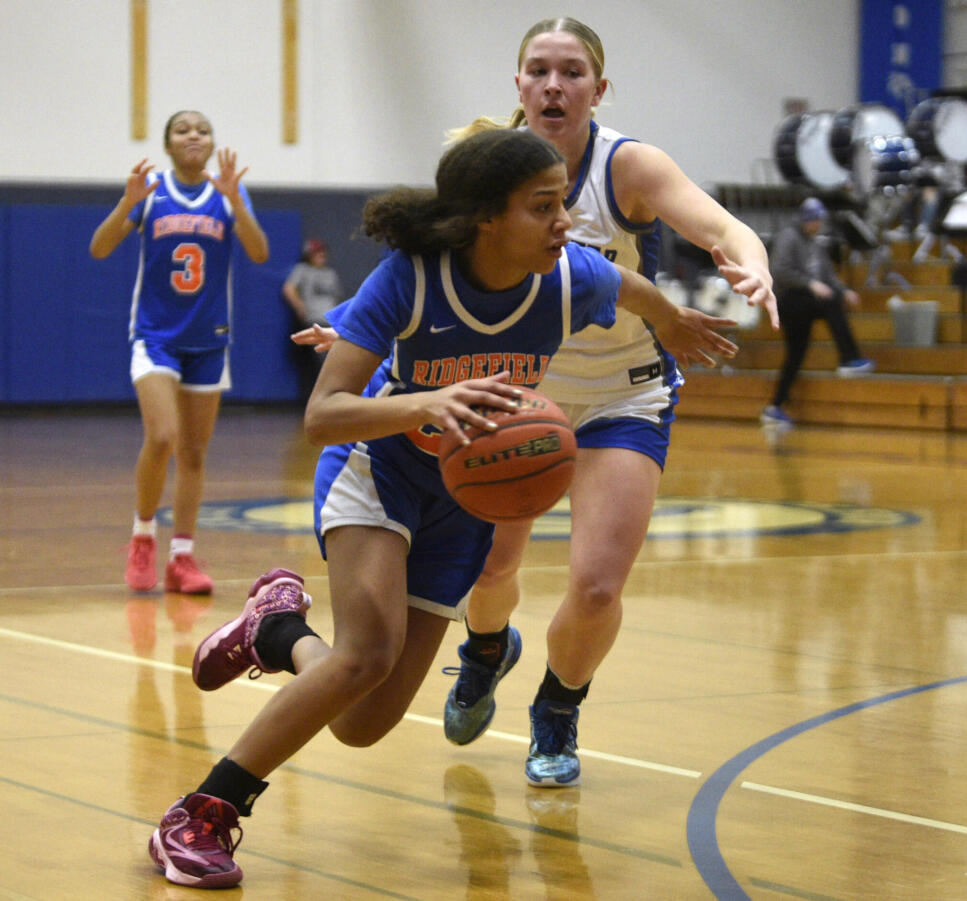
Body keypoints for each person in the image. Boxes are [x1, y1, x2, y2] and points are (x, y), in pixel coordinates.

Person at [146, 128, 739, 888]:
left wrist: (674, 321)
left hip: (465, 502)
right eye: (545, 206)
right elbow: (324, 413)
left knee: (362, 722)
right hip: (379, 469)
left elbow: (631, 288)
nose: (568, 221)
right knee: (366, 653)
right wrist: (429, 402)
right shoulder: (413, 278)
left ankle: (279, 628)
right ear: (486, 218)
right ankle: (200, 812)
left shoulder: (570, 277)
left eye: (565, 203)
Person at [436, 17, 776, 787]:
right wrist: (363, 325)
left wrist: (752, 264)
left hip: (625, 394)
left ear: (598, 87)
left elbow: (720, 226)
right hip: (516, 392)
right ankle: (486, 648)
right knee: (488, 572)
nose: (555, 85)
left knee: (595, 585)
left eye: (572, 72)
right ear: (517, 84)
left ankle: (558, 705)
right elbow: (430, 265)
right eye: (539, 70)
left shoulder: (629, 166)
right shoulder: (480, 168)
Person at [89, 110, 269, 595]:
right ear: (168, 144)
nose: (194, 135)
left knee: (193, 452)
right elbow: (100, 248)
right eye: (183, 130)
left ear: (212, 143)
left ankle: (182, 558)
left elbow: (259, 252)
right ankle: (143, 536)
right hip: (155, 337)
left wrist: (238, 203)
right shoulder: (151, 191)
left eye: (203, 129)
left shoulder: (228, 193)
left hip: (209, 339)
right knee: (164, 435)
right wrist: (126, 203)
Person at [761, 197, 872, 427]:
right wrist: (810, 284)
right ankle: (848, 359)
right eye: (815, 221)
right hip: (790, 300)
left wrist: (844, 291)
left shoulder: (815, 243)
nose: (819, 225)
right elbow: (780, 270)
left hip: (807, 301)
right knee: (829, 304)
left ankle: (775, 407)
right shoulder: (788, 237)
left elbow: (828, 276)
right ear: (806, 220)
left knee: (796, 353)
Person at [282, 238, 344, 399]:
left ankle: (331, 398)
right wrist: (300, 307)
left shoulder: (331, 274)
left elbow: (336, 298)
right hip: (314, 322)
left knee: (334, 363)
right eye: (317, 252)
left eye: (323, 252)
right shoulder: (302, 270)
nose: (321, 255)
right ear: (309, 255)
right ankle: (321, 400)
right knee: (319, 364)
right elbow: (288, 288)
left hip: (331, 324)